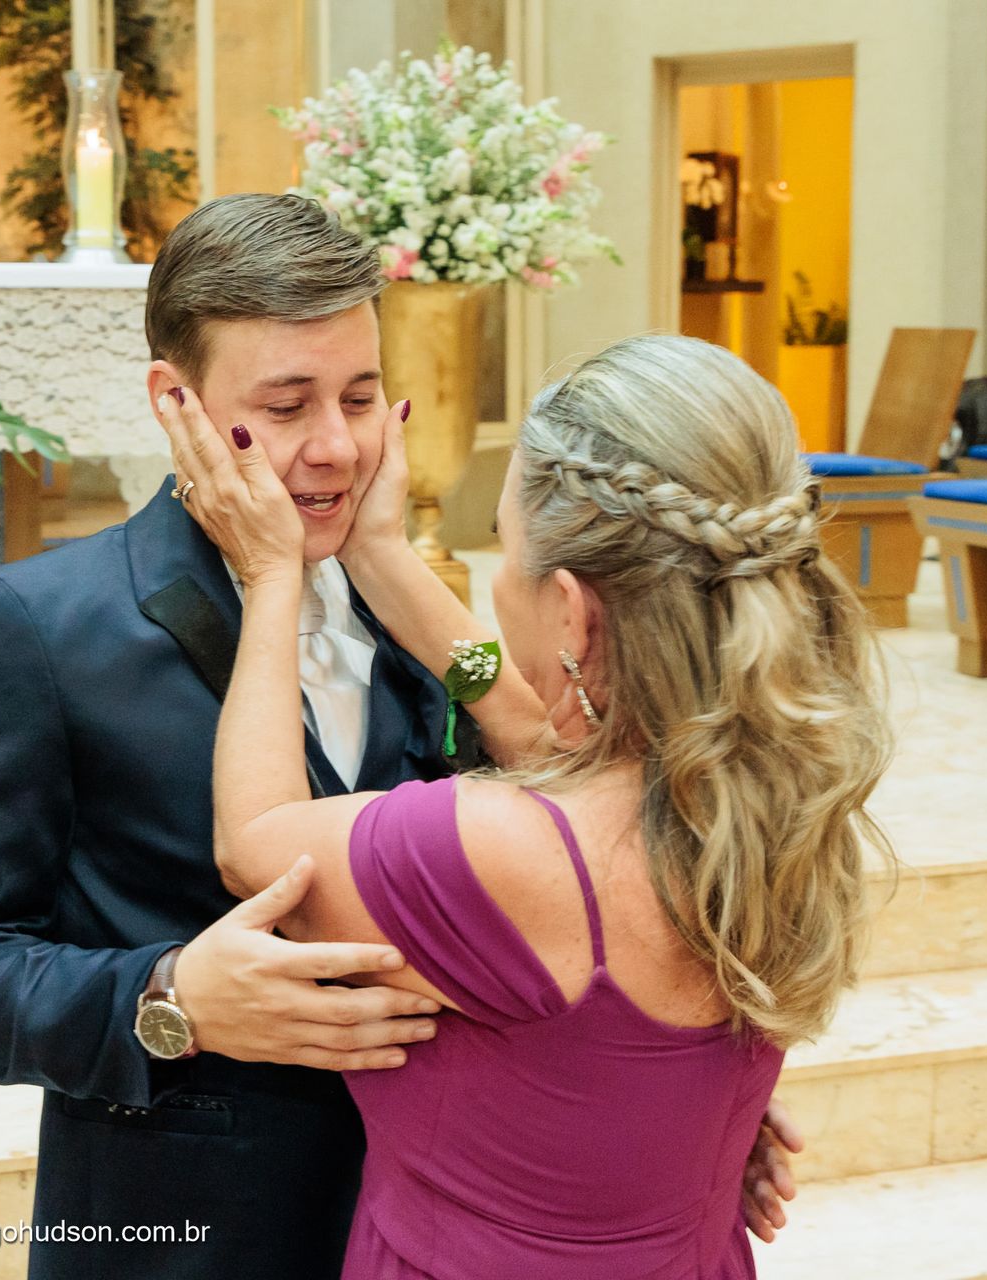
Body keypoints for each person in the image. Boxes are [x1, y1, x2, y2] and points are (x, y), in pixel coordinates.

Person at [162, 330, 877, 1277]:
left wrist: (270, 575)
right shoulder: (775, 792)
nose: (499, 575)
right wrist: (380, 555)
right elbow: (536, 729)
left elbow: (257, 840)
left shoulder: (502, 851)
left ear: (575, 610)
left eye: (503, 546)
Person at [0, 194, 499, 1278]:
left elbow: (555, 815)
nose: (337, 446)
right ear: (175, 400)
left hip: (437, 1219)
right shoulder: (35, 628)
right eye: (287, 405)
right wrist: (168, 998)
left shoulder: (417, 609)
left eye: (362, 397)